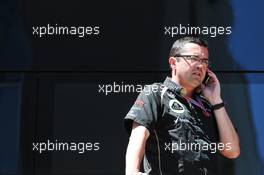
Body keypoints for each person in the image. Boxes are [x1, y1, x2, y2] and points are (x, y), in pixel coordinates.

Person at [124, 37, 240, 175]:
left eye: (204, 61)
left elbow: (232, 151)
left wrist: (216, 100)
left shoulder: (209, 106)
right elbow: (139, 135)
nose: (201, 65)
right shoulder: (156, 93)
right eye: (194, 58)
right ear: (173, 62)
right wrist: (132, 171)